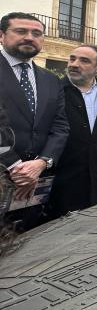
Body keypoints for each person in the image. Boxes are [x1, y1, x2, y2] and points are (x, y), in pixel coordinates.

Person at [0, 12, 68, 230]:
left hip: (37, 183)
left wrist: (42, 162)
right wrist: (16, 166)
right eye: (21, 31)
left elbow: (60, 126)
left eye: (36, 33)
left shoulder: (51, 80)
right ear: (2, 35)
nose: (29, 37)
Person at [47, 45, 97, 219]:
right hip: (66, 178)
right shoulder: (53, 91)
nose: (75, 64)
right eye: (72, 59)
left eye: (84, 60)